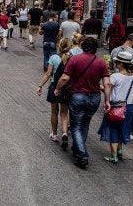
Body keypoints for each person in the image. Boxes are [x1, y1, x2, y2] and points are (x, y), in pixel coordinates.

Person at [54, 37, 111, 168]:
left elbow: (64, 77)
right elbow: (107, 83)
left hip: (78, 97)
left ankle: (82, 155)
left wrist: (57, 89)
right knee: (85, 124)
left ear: (83, 46)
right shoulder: (101, 62)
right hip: (95, 98)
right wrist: (107, 100)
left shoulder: (75, 59)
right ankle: (77, 149)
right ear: (96, 48)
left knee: (76, 126)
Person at [98, 51, 133, 163]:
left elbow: (107, 90)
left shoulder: (115, 77)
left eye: (117, 62)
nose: (115, 63)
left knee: (114, 130)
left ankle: (114, 156)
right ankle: (120, 149)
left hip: (116, 107)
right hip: (129, 107)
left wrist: (99, 86)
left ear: (121, 63)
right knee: (123, 129)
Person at [37, 38, 72, 149]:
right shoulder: (72, 58)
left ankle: (55, 134)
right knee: (64, 112)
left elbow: (48, 74)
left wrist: (40, 86)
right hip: (66, 88)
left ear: (58, 46)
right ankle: (65, 133)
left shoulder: (54, 57)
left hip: (54, 87)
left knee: (54, 111)